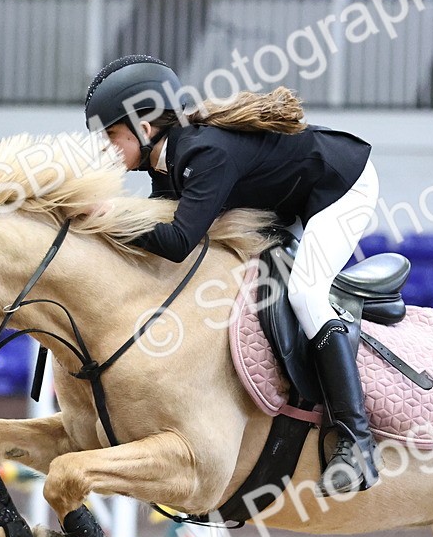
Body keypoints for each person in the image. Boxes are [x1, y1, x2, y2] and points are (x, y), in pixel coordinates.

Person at [83, 55, 380, 494]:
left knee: (306, 292)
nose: (104, 149)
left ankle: (358, 443)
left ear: (144, 129)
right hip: (289, 200)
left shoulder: (204, 155)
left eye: (110, 135)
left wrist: (115, 219)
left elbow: (179, 241)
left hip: (341, 187)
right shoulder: (170, 164)